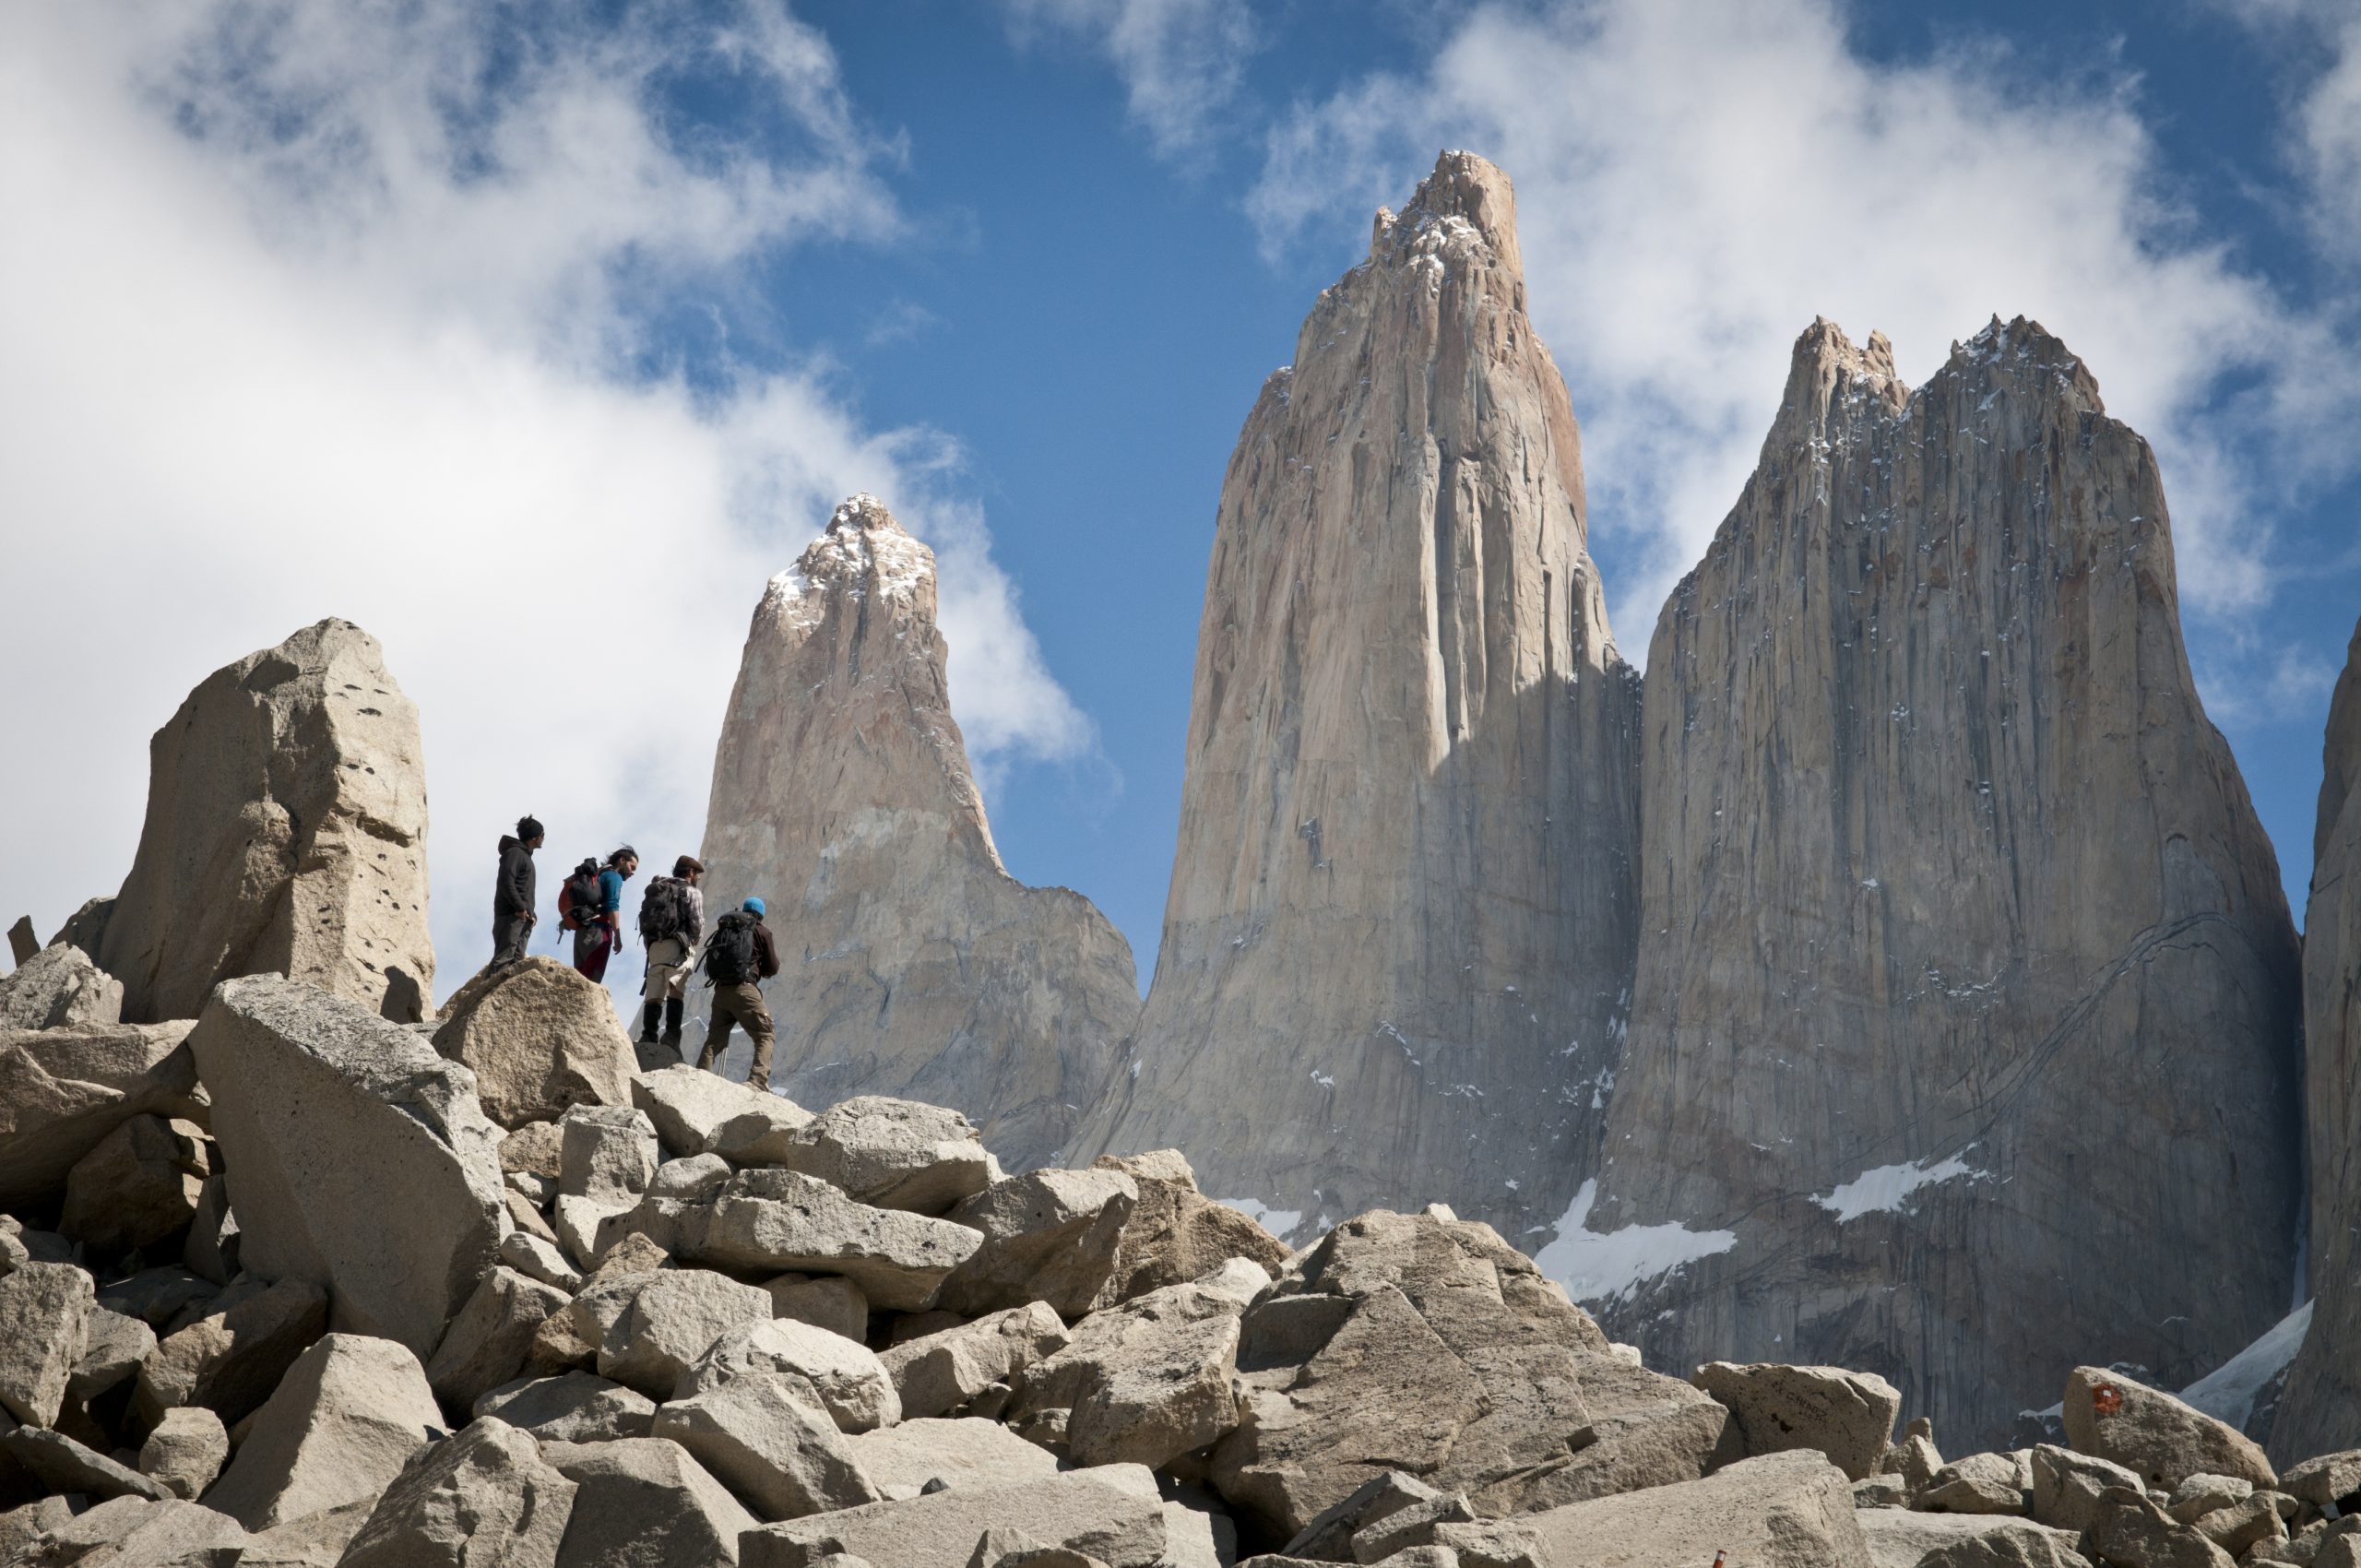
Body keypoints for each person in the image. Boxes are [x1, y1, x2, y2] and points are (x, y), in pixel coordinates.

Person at [697, 896, 780, 1088]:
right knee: (765, 1034)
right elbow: (773, 967)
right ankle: (758, 1080)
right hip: (745, 990)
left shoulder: (727, 929)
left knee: (714, 1040)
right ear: (761, 915)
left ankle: (699, 1076)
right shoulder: (762, 932)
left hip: (721, 991)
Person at [635, 855, 706, 1051]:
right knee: (675, 991)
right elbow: (697, 922)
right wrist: (693, 941)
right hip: (678, 947)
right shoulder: (691, 892)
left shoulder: (659, 889)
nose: (697, 878)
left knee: (654, 995)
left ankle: (648, 1036)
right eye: (697, 874)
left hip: (655, 949)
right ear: (690, 873)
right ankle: (671, 1038)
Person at [572, 846, 638, 984]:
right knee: (591, 982)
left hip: (581, 931)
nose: (632, 873)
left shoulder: (600, 874)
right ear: (622, 860)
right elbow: (613, 905)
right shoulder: (614, 877)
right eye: (632, 867)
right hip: (598, 932)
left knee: (578, 978)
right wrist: (617, 937)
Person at [492, 816, 543, 966]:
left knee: (515, 964)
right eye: (542, 835)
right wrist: (520, 908)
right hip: (511, 916)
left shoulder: (525, 857)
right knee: (504, 960)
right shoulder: (515, 853)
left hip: (521, 918)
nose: (543, 838)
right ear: (534, 837)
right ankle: (493, 988)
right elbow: (505, 882)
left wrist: (531, 914)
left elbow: (522, 889)